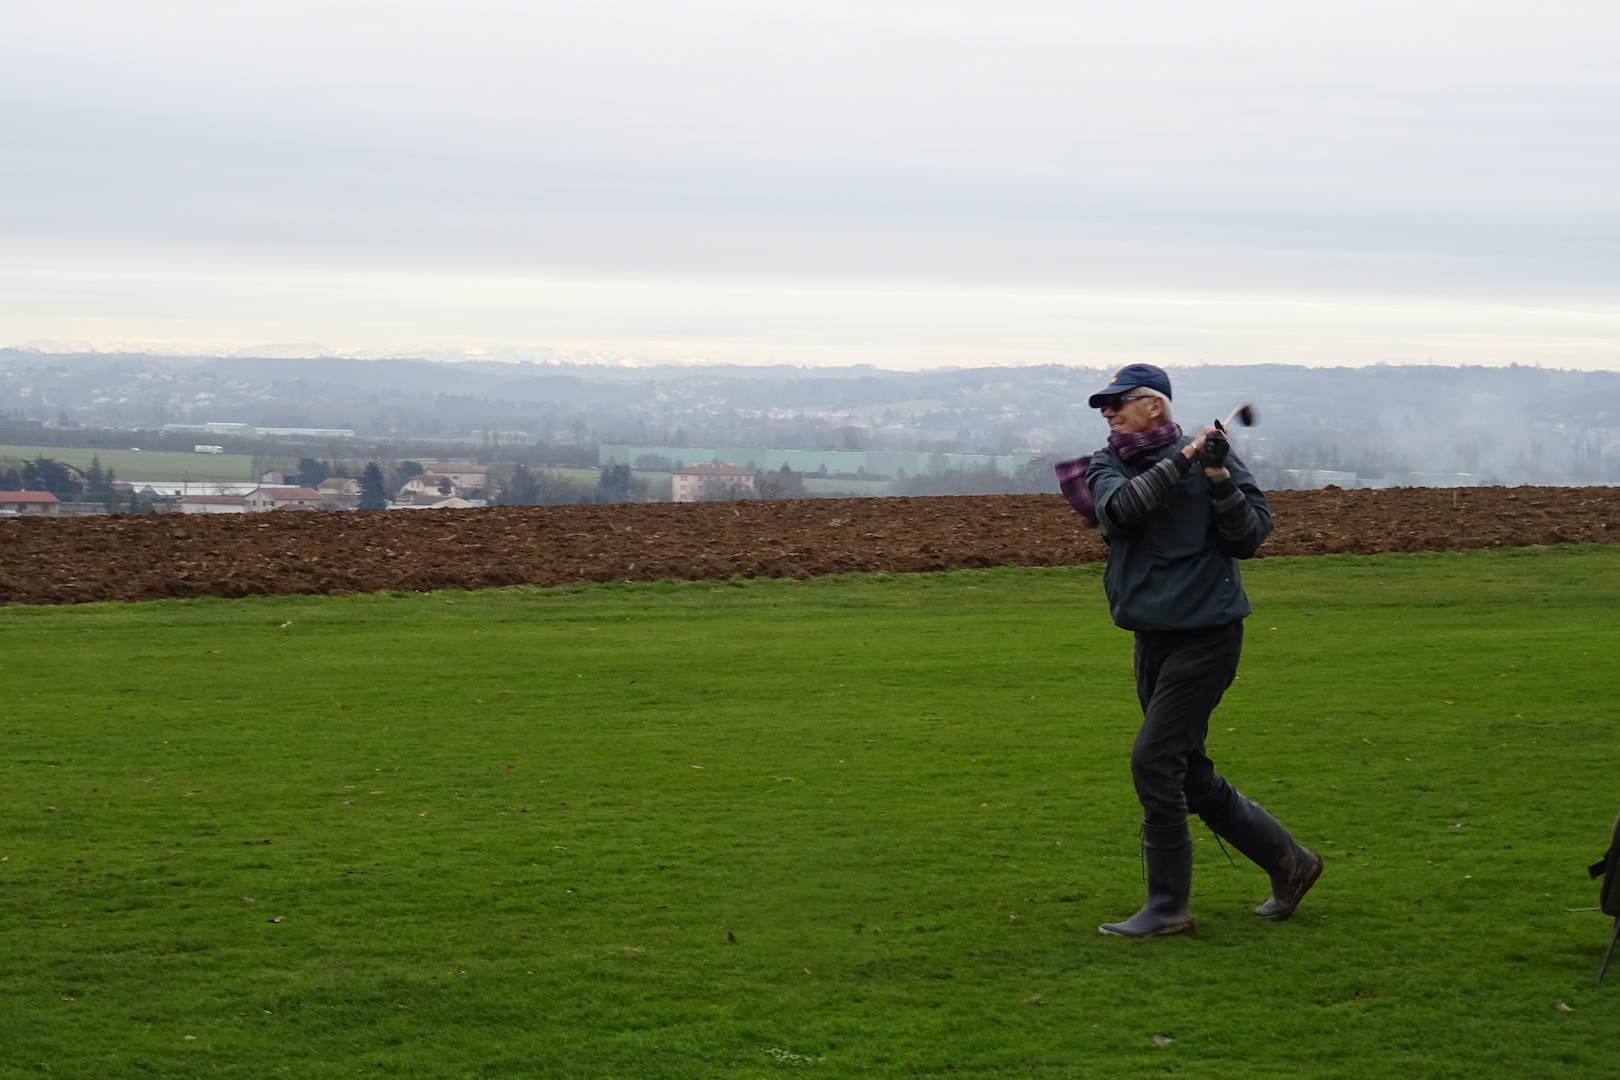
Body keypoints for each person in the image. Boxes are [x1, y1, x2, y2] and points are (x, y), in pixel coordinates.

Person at [1055, 363, 1321, 938]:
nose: (1107, 412)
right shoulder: (1108, 464)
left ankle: (1169, 907)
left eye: (1117, 402)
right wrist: (1184, 460)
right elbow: (1121, 512)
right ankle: (1292, 863)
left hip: (1208, 636)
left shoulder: (1213, 461)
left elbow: (1248, 538)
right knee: (1188, 774)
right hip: (1151, 638)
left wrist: (1219, 474)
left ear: (1155, 405)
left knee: (1154, 762)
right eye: (1104, 405)